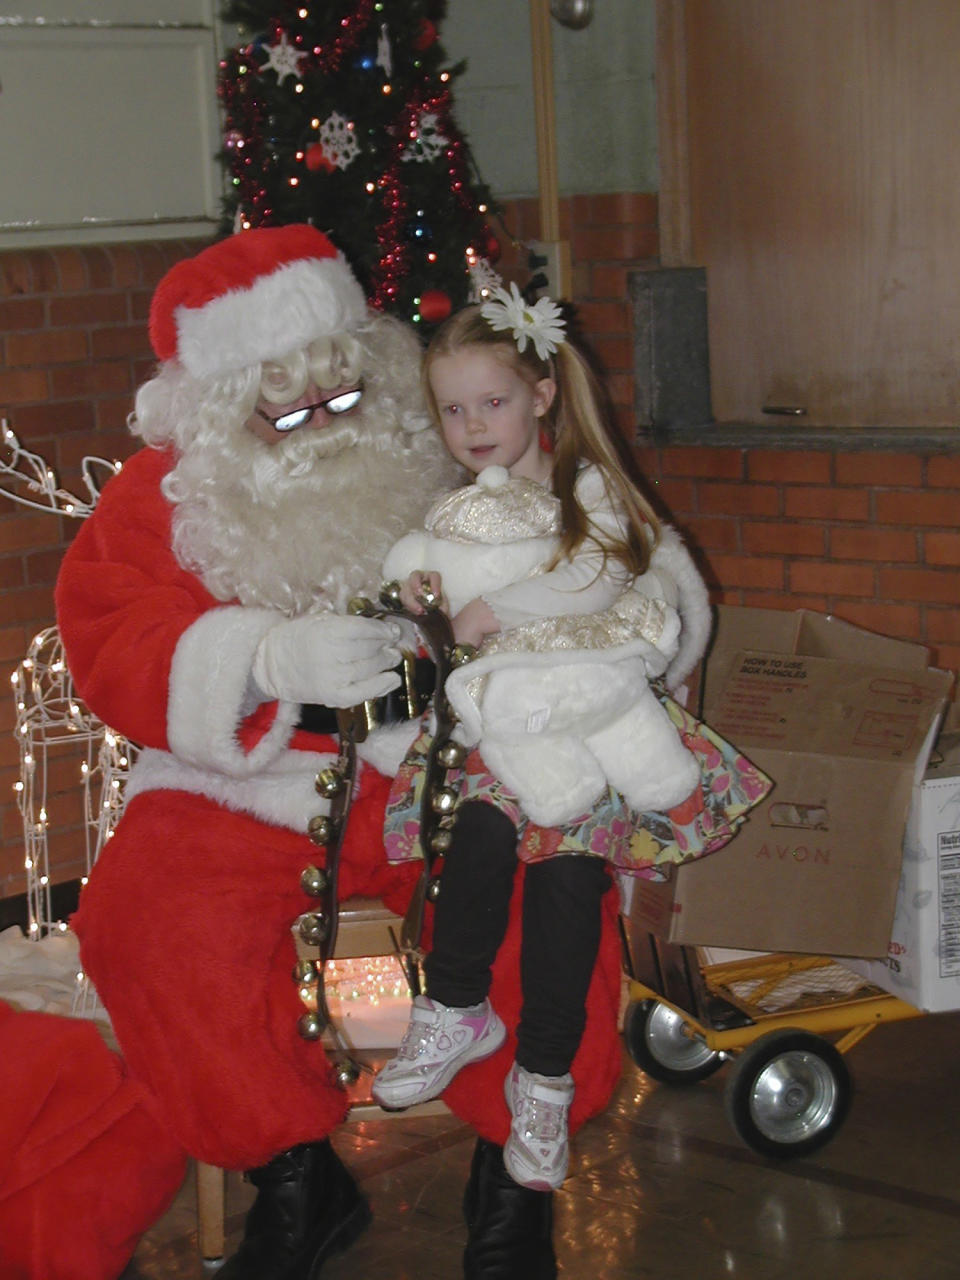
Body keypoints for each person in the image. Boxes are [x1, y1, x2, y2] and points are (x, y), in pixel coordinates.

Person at [0, 227, 620, 1280]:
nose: (325, 429)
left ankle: (515, 1177)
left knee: (553, 883)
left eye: (342, 399)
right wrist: (262, 656)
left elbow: (587, 563)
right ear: (217, 405)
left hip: (452, 758)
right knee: (146, 917)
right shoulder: (159, 500)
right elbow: (108, 636)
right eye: (287, 410)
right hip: (244, 781)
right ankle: (293, 1176)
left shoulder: (450, 449)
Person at [371, 289, 772, 1196]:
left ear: (543, 394)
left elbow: (605, 576)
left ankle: (542, 1081)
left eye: (494, 402)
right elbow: (437, 618)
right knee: (472, 849)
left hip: (587, 731)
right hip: (497, 732)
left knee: (563, 892)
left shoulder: (584, 487)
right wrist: (424, 612)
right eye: (453, 409)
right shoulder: (461, 509)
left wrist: (494, 611)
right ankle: (455, 1007)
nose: (472, 425)